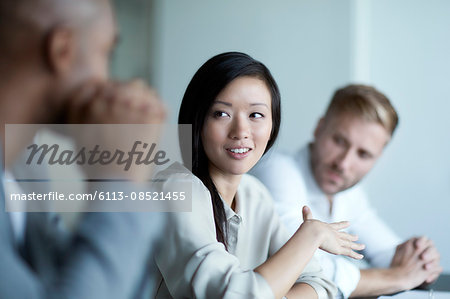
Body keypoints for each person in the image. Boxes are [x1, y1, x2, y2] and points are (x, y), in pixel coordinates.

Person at [153, 52, 366, 299]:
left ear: (272, 125)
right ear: (197, 120)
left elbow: (321, 285)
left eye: (256, 115)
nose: (241, 131)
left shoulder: (255, 194)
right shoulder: (176, 188)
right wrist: (310, 236)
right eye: (222, 114)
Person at [0, 0, 166, 298]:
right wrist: (120, 184)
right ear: (62, 50)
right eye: (106, 53)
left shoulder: (25, 167)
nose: (109, 80)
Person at [251, 84, 443, 298]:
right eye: (339, 141)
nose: (343, 163)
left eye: (363, 154)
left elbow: (387, 253)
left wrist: (419, 258)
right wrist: (396, 278)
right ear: (319, 128)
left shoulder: (350, 193)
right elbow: (302, 264)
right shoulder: (277, 169)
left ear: (377, 158)